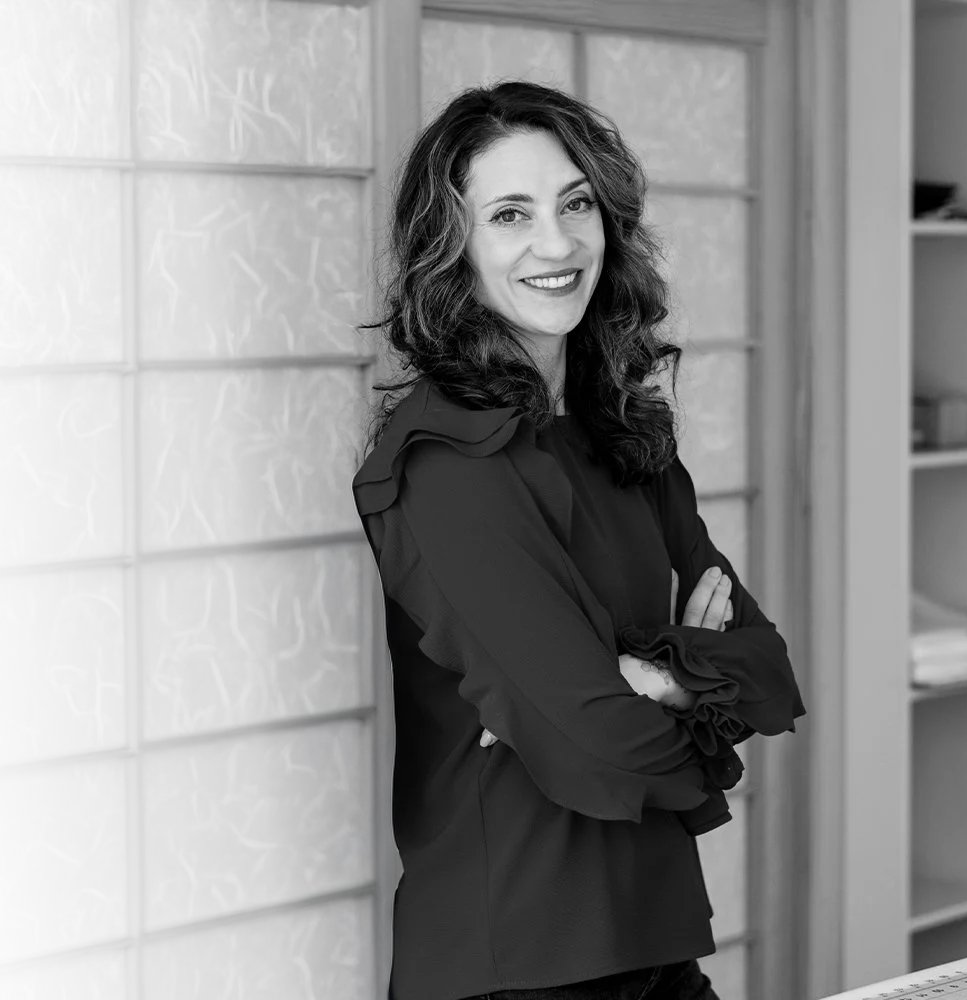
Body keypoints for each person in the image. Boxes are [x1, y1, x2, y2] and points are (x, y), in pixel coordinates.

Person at [351, 81, 806, 1000]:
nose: (556, 244)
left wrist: (661, 681)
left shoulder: (622, 434)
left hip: (654, 936)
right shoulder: (446, 466)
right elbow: (598, 743)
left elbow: (765, 666)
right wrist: (679, 681)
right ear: (455, 248)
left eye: (576, 204)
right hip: (517, 956)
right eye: (510, 214)